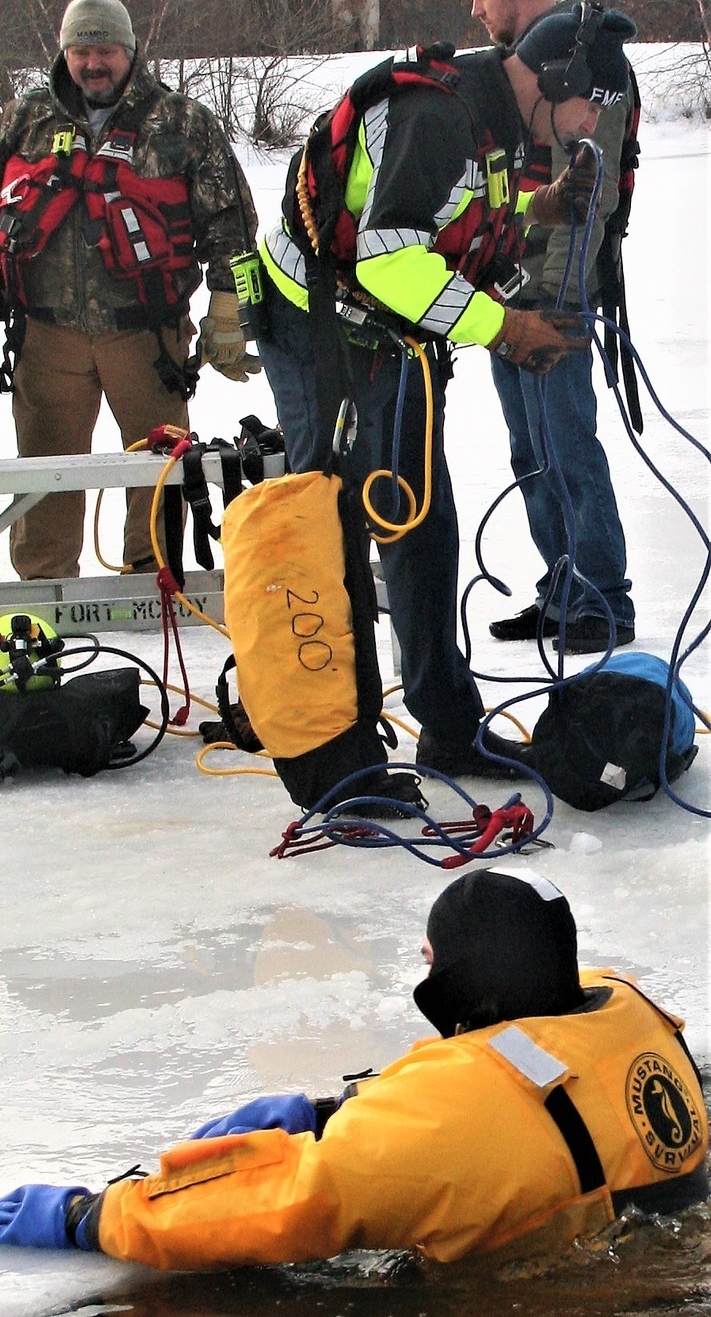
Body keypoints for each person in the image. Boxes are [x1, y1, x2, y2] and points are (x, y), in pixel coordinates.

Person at [0, 867, 709, 1269]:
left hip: (564, 1312)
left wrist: (95, 1215)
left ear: (462, 982)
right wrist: (332, 1107)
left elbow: (286, 1202)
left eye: (432, 960)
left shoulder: (449, 1122)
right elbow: (503, 1069)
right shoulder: (622, 1005)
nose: (424, 970)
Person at [255, 11, 633, 780]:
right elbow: (388, 259)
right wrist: (503, 328)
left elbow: (455, 216)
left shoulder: (499, 115)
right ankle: (335, 748)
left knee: (421, 519)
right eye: (590, 103)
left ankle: (450, 729)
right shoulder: (440, 115)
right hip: (318, 323)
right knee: (337, 522)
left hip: (393, 329)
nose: (594, 122)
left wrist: (544, 207)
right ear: (553, 80)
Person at [0, 0, 259, 581]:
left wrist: (228, 305)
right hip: (45, 334)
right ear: (65, 51)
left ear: (129, 51)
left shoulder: (183, 122)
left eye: (105, 51)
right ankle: (45, 595)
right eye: (81, 51)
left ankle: (155, 582)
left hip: (146, 335)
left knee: (158, 471)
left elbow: (231, 220)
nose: (93, 64)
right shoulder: (24, 120)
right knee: (45, 472)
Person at [472, 0, 636, 653]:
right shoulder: (519, 65)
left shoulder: (589, 62)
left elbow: (590, 197)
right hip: (503, 295)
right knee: (529, 451)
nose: (476, 9)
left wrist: (555, 300)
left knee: (566, 444)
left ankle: (602, 599)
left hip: (554, 297)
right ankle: (563, 590)